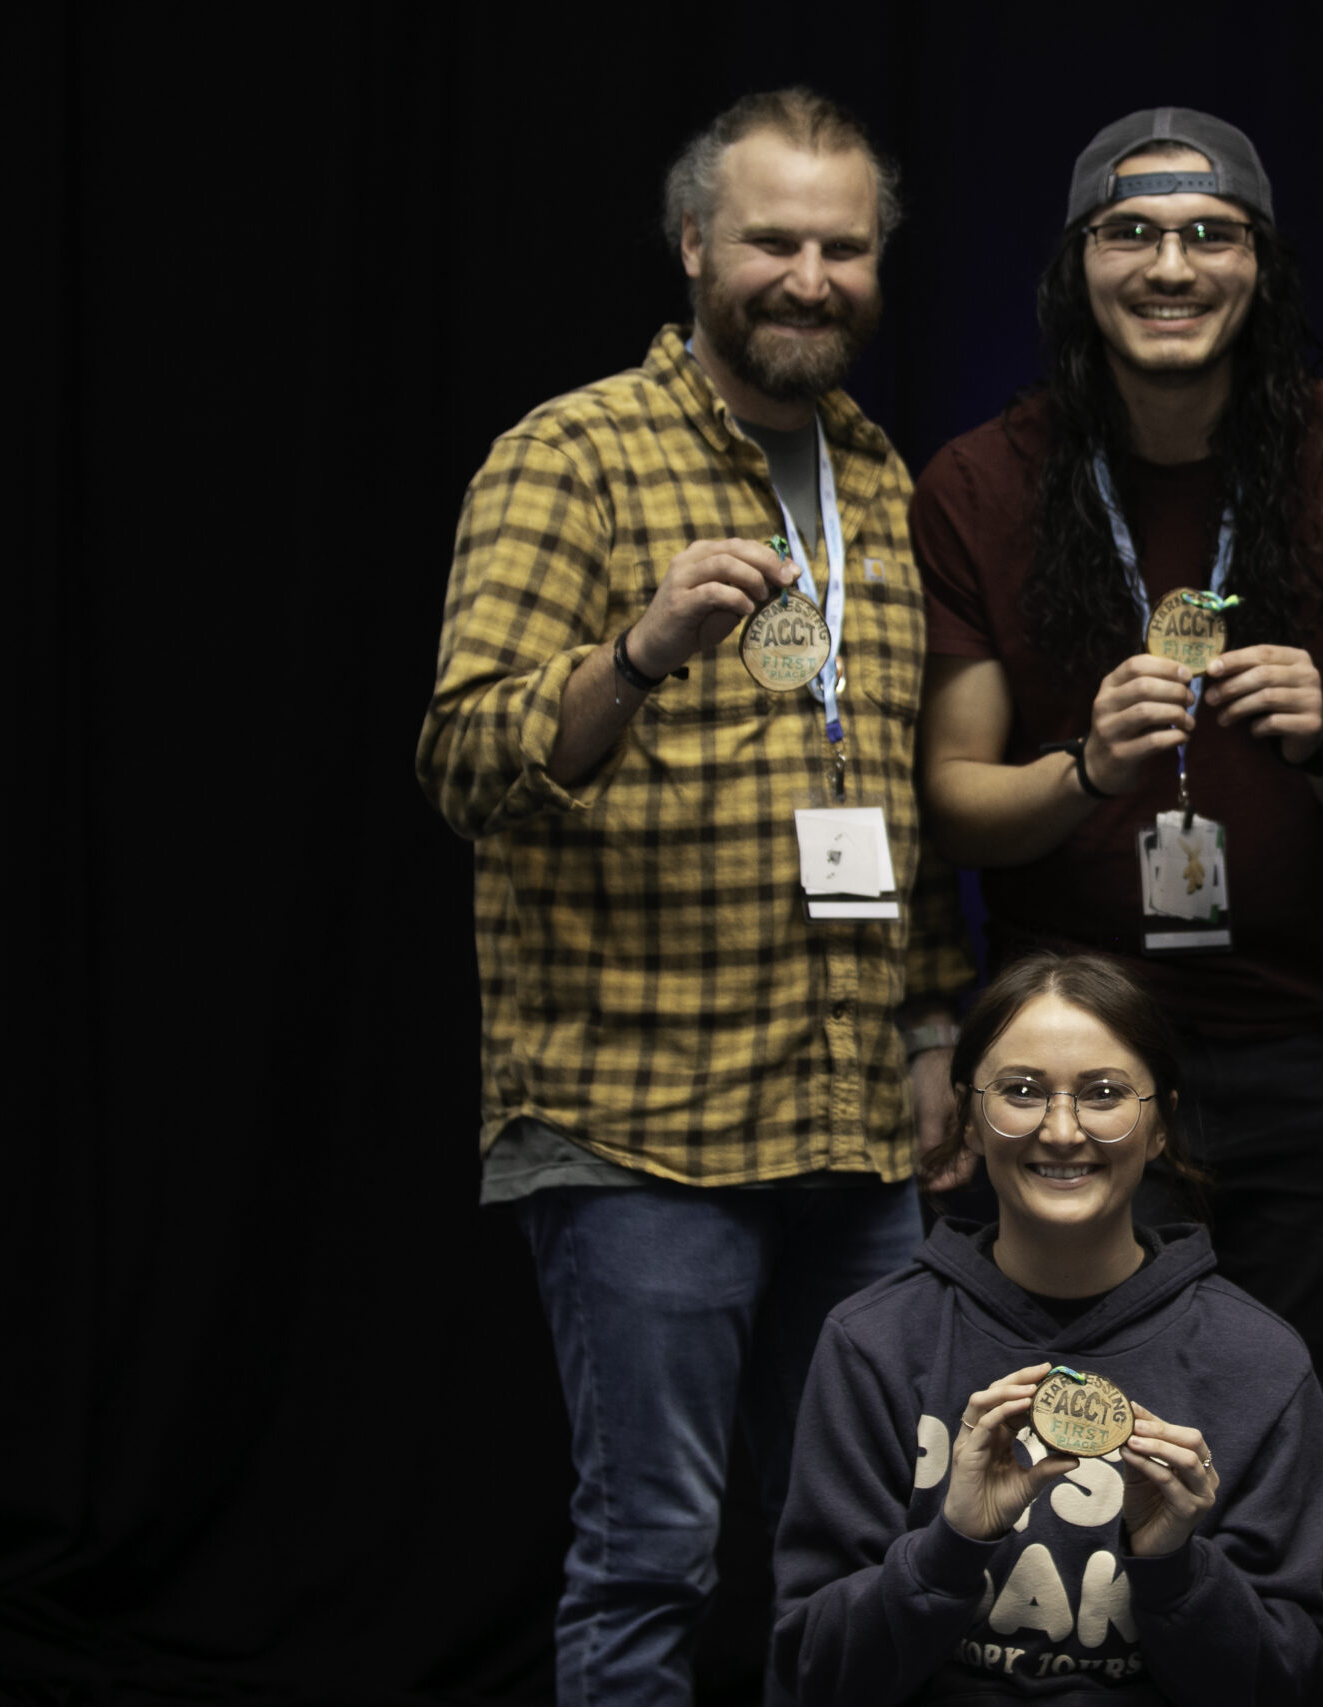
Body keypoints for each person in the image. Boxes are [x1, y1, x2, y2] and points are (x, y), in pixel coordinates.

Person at [415, 87, 971, 1706]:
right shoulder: (568, 454)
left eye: (843, 246)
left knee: (864, 1549)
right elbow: (459, 761)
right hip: (636, 1118)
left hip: (856, 1123)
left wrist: (936, 1023)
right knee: (651, 1554)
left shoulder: (879, 482)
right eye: (772, 240)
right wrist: (635, 653)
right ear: (692, 247)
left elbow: (887, 796)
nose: (809, 275)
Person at [913, 107, 1323, 1435]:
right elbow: (957, 804)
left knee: (1297, 1411)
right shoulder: (982, 480)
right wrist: (1083, 768)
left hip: (1300, 1041)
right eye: (1129, 232)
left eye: (1211, 232)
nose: (1172, 265)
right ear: (1079, 264)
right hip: (1074, 1055)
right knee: (1077, 1422)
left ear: (1262, 264)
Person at [770, 952, 1323, 1705]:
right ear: (970, 1118)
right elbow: (811, 1677)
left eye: (1104, 1093)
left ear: (1159, 1123)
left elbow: (1297, 1685)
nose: (1062, 1129)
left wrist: (1175, 1567)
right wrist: (949, 1548)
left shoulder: (1261, 1362)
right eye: (1022, 1091)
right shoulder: (873, 1343)